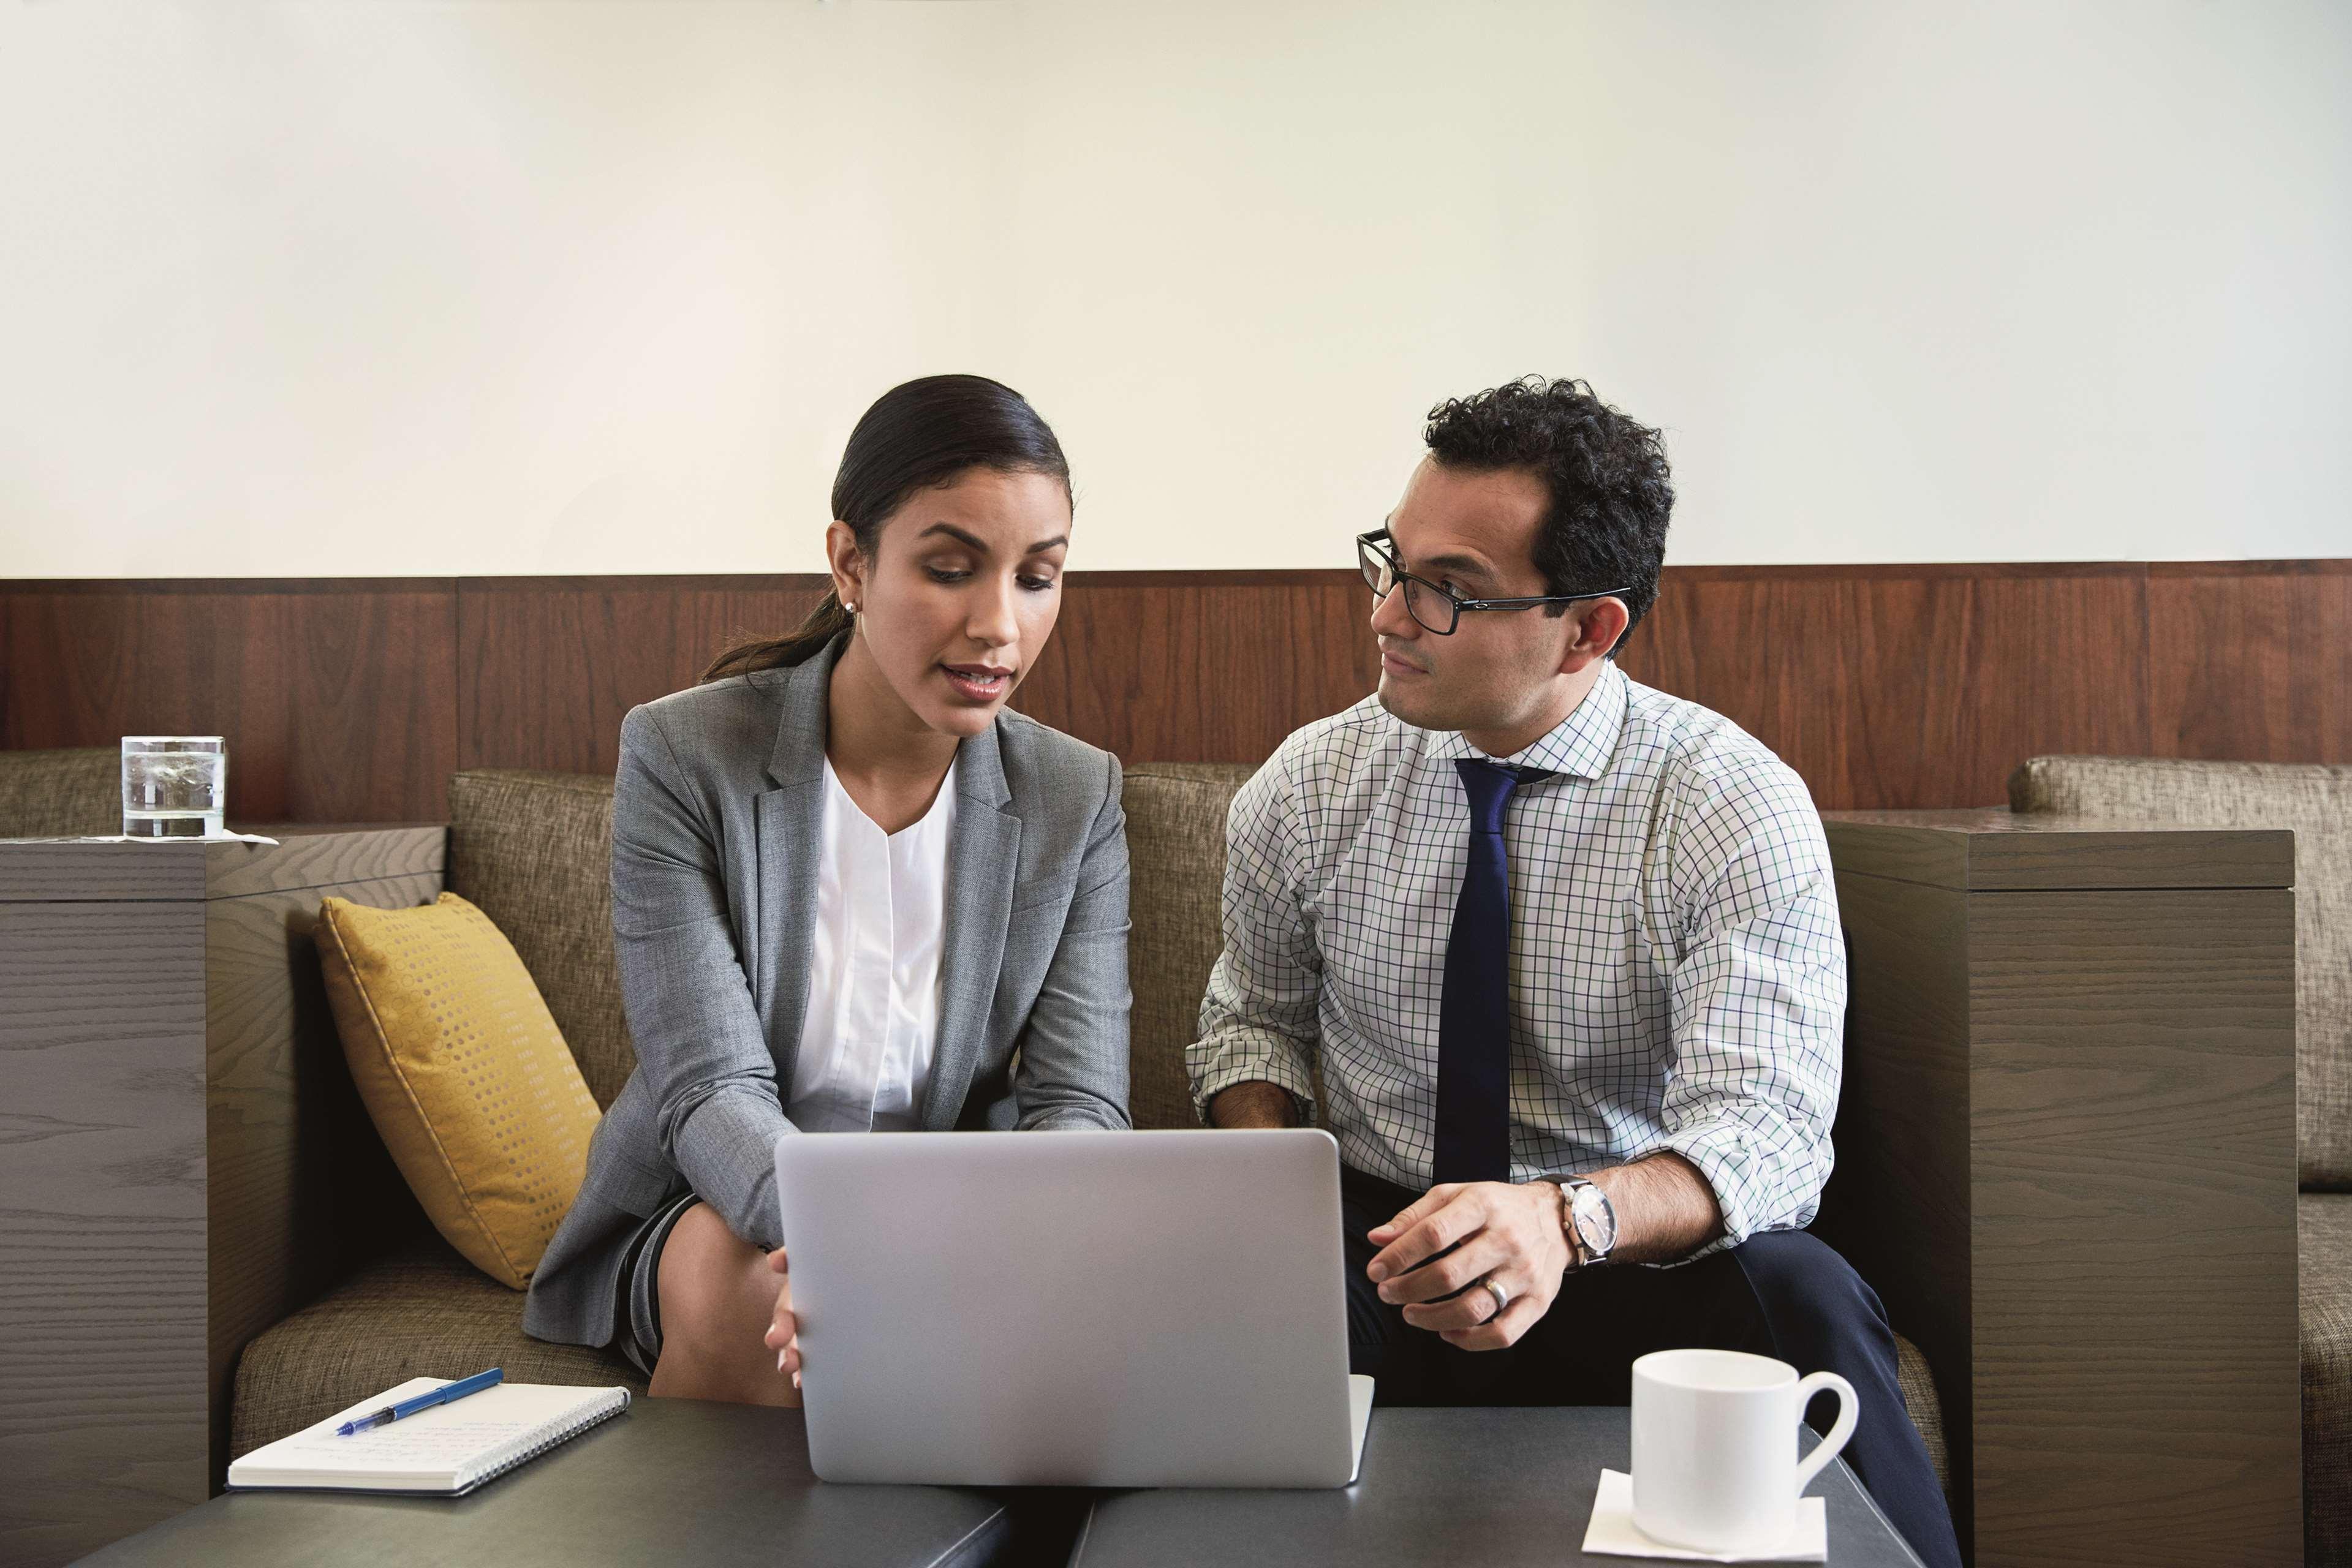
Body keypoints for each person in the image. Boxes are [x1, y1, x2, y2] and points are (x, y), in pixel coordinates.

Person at [1186, 376, 1962, 1568]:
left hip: (1620, 1250)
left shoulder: (1725, 801)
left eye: (1450, 589)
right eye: (1392, 561)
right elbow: (1254, 1031)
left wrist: (1563, 1218)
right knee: (1228, 1295)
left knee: (1803, 1291)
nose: (1390, 612)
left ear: (1588, 628)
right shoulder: (1309, 784)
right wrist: (1261, 1206)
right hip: (1383, 1246)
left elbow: (1765, 1130)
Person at [524, 374, 1132, 1404]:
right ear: (851, 562)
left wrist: (970, 1247)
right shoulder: (684, 753)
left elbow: (1081, 1104)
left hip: (959, 1222)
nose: (1000, 625)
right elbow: (707, 1090)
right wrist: (851, 1246)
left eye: (1038, 578)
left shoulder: (1076, 794)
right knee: (758, 1289)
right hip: (714, 1206)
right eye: (950, 570)